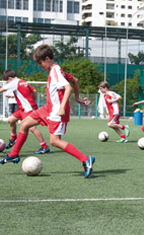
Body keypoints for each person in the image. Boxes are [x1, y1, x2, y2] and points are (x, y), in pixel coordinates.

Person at [0, 45, 94, 178]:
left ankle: (85, 159)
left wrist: (61, 107)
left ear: (48, 58)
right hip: (47, 109)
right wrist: (78, 98)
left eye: (40, 63)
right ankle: (13, 154)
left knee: (55, 141)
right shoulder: (56, 70)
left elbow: (68, 87)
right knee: (25, 123)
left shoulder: (55, 70)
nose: (39, 65)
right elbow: (75, 80)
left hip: (56, 112)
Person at [0, 69, 50, 154]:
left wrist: (30, 104)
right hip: (22, 108)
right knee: (11, 120)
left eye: (7, 81)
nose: (7, 83)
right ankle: (13, 139)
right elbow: (34, 91)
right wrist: (32, 101)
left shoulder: (14, 82)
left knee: (32, 128)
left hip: (28, 109)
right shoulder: (23, 81)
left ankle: (44, 147)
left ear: (9, 78)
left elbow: (1, 90)